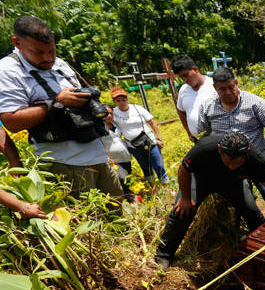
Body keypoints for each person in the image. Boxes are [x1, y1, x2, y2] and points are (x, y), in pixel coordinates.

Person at [0, 16, 122, 198]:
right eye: (39, 52)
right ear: (17, 43)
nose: (48, 58)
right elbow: (11, 122)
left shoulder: (60, 64)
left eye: (52, 51)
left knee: (118, 220)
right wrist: (57, 103)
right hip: (64, 165)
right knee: (85, 223)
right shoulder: (8, 70)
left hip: (100, 159)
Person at [154, 131, 265, 270]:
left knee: (252, 211)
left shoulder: (255, 158)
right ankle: (164, 255)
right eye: (229, 162)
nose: (232, 166)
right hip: (200, 180)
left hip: (232, 183)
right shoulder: (204, 148)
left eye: (237, 163)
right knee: (182, 211)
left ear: (246, 152)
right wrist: (185, 198)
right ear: (219, 149)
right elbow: (183, 169)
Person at [199, 66, 265, 215]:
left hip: (255, 158)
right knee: (244, 202)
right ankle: (254, 227)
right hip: (229, 163)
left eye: (231, 87)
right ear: (215, 88)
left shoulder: (254, 102)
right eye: (222, 89)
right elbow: (205, 132)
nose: (229, 92)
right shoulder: (208, 107)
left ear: (236, 83)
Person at [110, 86, 169, 185]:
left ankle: (167, 187)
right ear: (115, 102)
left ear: (127, 99)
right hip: (133, 145)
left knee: (158, 165)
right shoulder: (114, 113)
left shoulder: (137, 108)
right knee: (145, 167)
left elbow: (152, 122)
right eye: (118, 100)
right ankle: (154, 188)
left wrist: (159, 138)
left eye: (123, 100)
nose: (121, 102)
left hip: (149, 141)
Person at [172, 55, 216, 142]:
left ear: (195, 69)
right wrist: (189, 132)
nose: (185, 79)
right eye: (181, 77)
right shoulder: (183, 90)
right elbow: (181, 111)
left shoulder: (214, 85)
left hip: (218, 139)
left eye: (186, 75)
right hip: (198, 141)